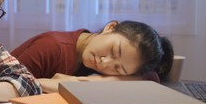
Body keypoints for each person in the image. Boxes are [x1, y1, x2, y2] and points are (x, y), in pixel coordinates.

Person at [11, 20, 174, 93]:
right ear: (110, 27)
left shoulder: (95, 62)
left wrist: (75, 83)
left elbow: (151, 79)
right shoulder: (51, 47)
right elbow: (7, 85)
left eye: (118, 69)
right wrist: (41, 84)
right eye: (113, 50)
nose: (105, 63)